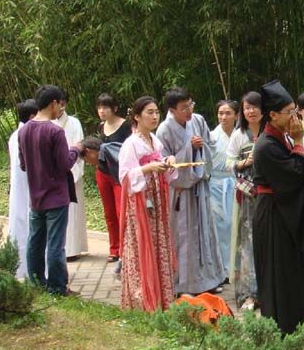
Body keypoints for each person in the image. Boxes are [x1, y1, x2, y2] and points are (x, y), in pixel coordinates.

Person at [252, 80, 304, 335]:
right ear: (272, 115)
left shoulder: (281, 137)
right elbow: (295, 175)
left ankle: (301, 322)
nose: (295, 116)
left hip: (284, 212)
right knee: (278, 271)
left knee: (295, 268)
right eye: (290, 111)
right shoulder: (267, 145)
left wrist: (297, 144)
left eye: (295, 110)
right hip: (273, 216)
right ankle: (283, 327)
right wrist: (300, 142)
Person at [156, 87, 226, 296]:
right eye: (183, 108)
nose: (188, 111)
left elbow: (210, 147)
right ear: (172, 110)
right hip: (181, 191)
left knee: (205, 231)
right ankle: (184, 284)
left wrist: (199, 147)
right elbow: (164, 162)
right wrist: (189, 147)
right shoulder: (164, 130)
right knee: (184, 235)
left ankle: (208, 279)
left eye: (190, 105)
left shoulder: (198, 120)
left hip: (200, 186)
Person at [18, 85, 84, 295]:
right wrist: (76, 149)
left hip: (35, 197)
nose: (60, 108)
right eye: (59, 104)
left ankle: (37, 283)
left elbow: (23, 165)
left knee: (35, 242)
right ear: (54, 103)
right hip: (56, 196)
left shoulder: (24, 130)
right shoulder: (55, 131)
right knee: (56, 245)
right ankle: (57, 287)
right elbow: (64, 164)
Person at [118, 96, 177, 312]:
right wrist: (148, 168)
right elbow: (125, 177)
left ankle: (162, 298)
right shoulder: (131, 144)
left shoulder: (154, 140)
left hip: (157, 200)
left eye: (156, 112)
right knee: (142, 246)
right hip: (142, 203)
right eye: (149, 112)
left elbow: (161, 166)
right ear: (136, 116)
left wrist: (168, 163)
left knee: (158, 243)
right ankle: (142, 300)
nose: (154, 116)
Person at [226, 91, 262, 310]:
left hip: (269, 195)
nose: (251, 111)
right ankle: (248, 293)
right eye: (247, 108)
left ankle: (267, 291)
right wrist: (243, 162)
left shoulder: (271, 131)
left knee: (267, 242)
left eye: (254, 107)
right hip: (248, 197)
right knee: (247, 244)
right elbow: (228, 161)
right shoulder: (239, 134)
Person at [52, 89, 88, 260]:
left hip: (72, 170)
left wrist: (72, 170)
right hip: (54, 174)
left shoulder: (74, 123)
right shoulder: (46, 123)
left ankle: (73, 248)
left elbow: (79, 145)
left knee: (73, 211)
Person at [95, 93, 130, 262]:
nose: (102, 111)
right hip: (102, 172)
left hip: (118, 173)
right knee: (109, 213)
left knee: (120, 211)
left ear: (114, 108)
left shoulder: (126, 126)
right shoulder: (101, 126)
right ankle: (114, 248)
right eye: (99, 107)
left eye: (105, 107)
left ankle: (125, 248)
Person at [8, 99, 37, 280]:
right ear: (32, 116)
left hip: (25, 189)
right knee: (25, 227)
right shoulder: (24, 135)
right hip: (28, 189)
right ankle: (27, 270)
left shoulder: (18, 134)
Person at [209, 99, 238, 276]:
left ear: (236, 115)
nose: (223, 117)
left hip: (235, 183)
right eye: (220, 113)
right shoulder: (212, 137)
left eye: (228, 113)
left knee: (235, 224)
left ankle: (234, 267)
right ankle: (220, 269)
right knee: (219, 226)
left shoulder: (242, 135)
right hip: (216, 185)